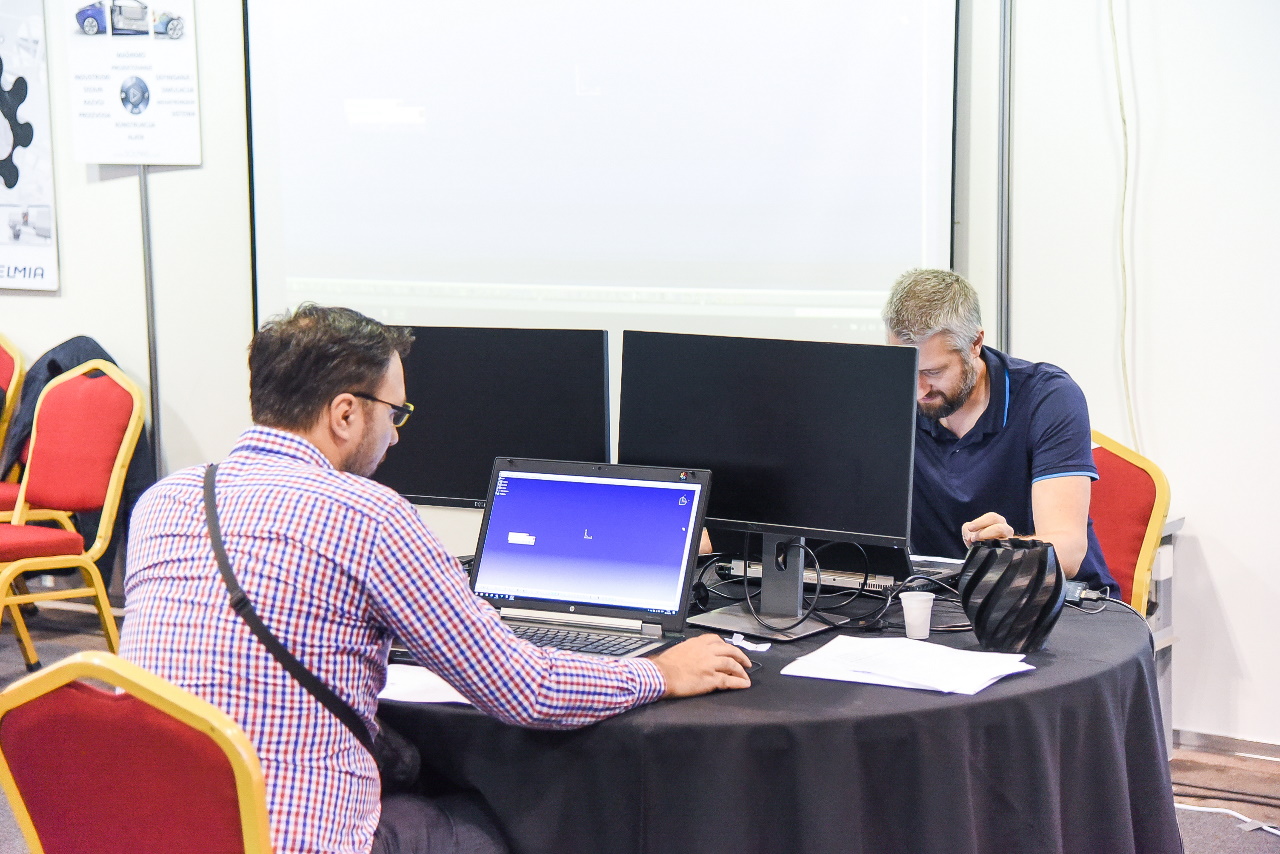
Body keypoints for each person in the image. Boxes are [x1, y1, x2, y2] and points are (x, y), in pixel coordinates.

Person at [119, 305, 751, 854]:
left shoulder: (163, 502)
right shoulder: (369, 516)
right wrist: (660, 673)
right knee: (496, 823)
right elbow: (526, 689)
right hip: (297, 838)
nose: (396, 435)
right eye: (395, 412)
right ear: (345, 413)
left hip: (153, 828)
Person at [881, 269, 1117, 595]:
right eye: (908, 369)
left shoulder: (1047, 398)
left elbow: (1068, 550)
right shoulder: (885, 397)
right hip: (938, 599)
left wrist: (1009, 550)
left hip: (1049, 600)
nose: (918, 390)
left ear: (975, 343)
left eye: (933, 372)